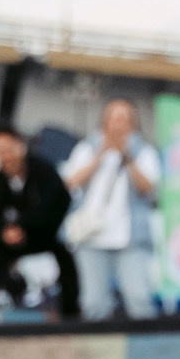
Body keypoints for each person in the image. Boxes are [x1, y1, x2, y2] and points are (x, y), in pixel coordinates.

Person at [61, 97, 161, 319]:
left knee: (139, 297)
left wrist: (128, 158)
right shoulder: (87, 147)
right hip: (91, 236)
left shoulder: (144, 151)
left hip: (131, 238)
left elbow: (149, 189)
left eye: (124, 118)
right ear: (104, 121)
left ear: (134, 123)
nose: (118, 123)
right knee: (93, 302)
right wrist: (100, 155)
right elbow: (70, 182)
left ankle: (144, 339)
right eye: (114, 118)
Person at [0, 125, 80, 317]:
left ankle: (71, 313)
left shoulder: (44, 170)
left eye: (7, 150)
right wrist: (5, 231)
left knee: (66, 260)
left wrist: (21, 226)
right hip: (20, 236)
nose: (4, 157)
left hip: (53, 232)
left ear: (20, 146)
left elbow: (53, 206)